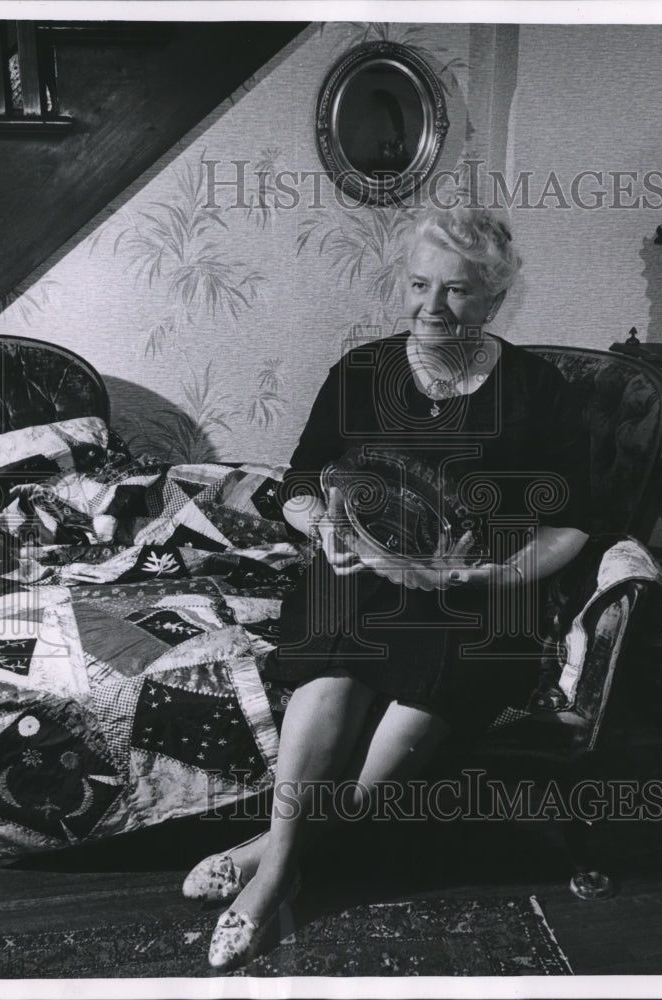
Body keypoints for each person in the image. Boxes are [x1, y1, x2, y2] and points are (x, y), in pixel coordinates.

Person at [184, 205, 592, 971]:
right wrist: (325, 532)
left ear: (496, 301)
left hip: (475, 592)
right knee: (337, 661)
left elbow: (569, 526)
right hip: (358, 574)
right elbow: (301, 482)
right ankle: (278, 876)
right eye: (418, 285)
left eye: (458, 292)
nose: (431, 308)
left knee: (427, 685)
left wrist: (481, 574)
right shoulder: (363, 372)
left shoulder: (540, 390)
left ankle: (270, 858)